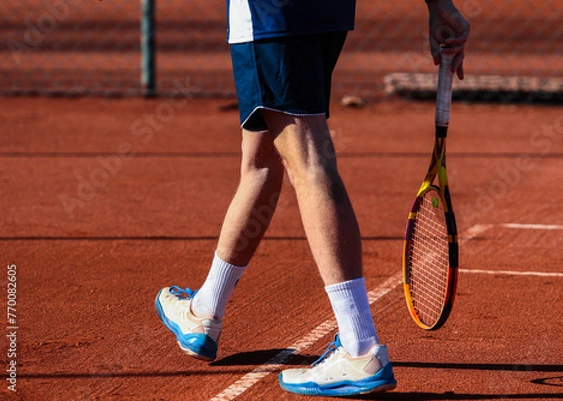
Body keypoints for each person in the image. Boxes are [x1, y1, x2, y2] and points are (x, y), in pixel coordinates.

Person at [155, 0, 469, 396]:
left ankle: (359, 348)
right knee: (263, 159)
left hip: (271, 12)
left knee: (308, 158)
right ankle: (204, 312)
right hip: (327, 11)